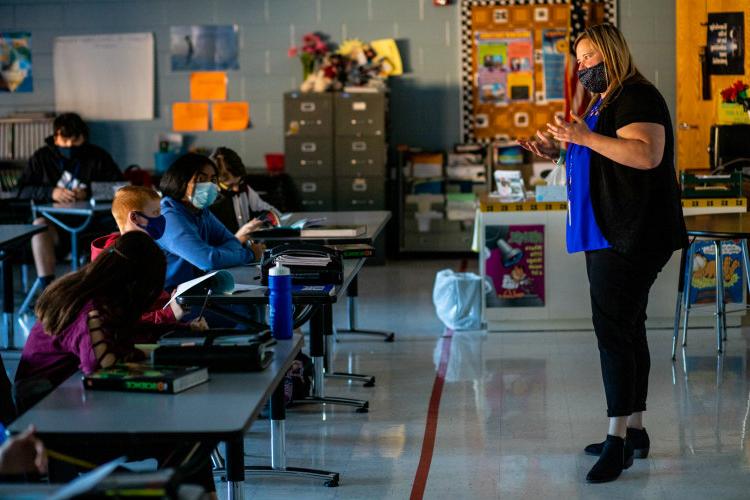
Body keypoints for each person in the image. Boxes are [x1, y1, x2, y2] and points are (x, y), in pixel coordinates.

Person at [519, 23, 687, 484]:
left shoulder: (637, 96)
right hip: (612, 230)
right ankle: (634, 431)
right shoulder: (607, 99)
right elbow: (604, 156)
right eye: (579, 59)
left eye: (589, 57)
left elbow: (646, 155)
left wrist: (585, 137)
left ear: (611, 53)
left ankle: (617, 441)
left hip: (631, 233)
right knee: (627, 328)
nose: (583, 66)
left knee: (613, 330)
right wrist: (559, 148)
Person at [13, 231, 215, 494]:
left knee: (186, 439)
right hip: (58, 429)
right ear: (135, 285)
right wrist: (152, 354)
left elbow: (125, 336)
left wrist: (174, 332)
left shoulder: (88, 289)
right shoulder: (89, 309)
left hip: (70, 408)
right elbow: (104, 367)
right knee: (183, 438)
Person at [16, 112, 123, 290]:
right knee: (39, 226)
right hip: (54, 224)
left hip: (92, 226)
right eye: (64, 141)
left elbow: (120, 187)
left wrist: (88, 192)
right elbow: (20, 189)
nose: (69, 146)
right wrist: (51, 192)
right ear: (55, 136)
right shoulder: (41, 157)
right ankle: (47, 288)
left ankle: (102, 290)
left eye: (75, 141)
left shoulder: (98, 156)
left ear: (84, 137)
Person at [90, 186, 205, 330]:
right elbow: (125, 324)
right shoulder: (116, 263)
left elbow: (153, 307)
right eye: (155, 213)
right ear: (135, 218)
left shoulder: (141, 252)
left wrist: (185, 325)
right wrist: (171, 314)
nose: (162, 219)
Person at [157, 153, 263, 291]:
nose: (208, 185)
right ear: (181, 180)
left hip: (199, 289)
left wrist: (216, 254)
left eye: (213, 180)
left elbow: (233, 242)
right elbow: (208, 260)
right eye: (201, 179)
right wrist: (250, 255)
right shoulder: (168, 216)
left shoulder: (201, 211)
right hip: (172, 300)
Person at [210, 147, 281, 233]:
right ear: (216, 182)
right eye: (230, 186)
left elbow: (273, 212)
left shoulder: (245, 189)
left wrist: (266, 220)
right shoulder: (210, 201)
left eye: (239, 182)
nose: (236, 189)